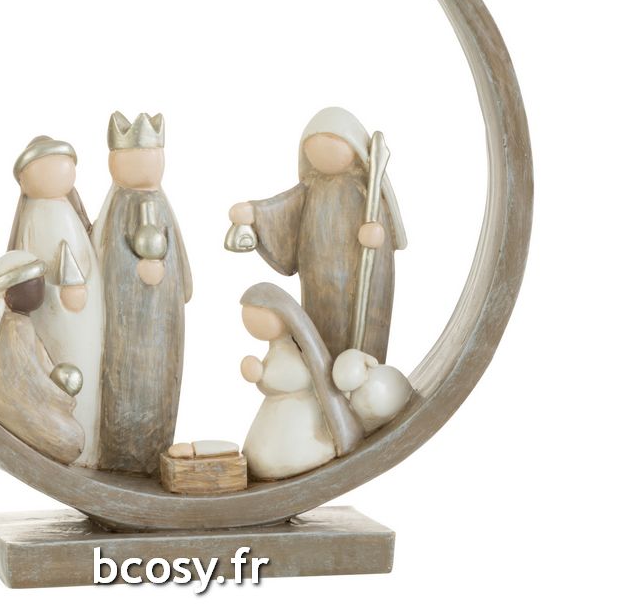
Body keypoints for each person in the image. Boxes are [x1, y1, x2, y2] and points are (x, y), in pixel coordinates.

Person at [226, 107, 406, 361]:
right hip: (318, 280)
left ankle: (361, 369)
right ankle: (319, 368)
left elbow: (381, 225)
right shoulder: (311, 189)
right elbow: (283, 208)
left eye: (333, 144)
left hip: (358, 278)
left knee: (359, 337)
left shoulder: (365, 192)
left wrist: (375, 234)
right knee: (320, 327)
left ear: (355, 148)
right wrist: (254, 213)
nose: (323, 153)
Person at [94, 111, 191, 474]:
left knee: (160, 379)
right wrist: (136, 271)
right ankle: (119, 456)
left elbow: (175, 252)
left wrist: (174, 278)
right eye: (132, 158)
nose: (144, 165)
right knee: (123, 381)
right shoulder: (119, 206)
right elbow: (108, 257)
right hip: (124, 322)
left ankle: (155, 450)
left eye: (151, 156)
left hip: (161, 319)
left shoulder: (159, 202)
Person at [6, 136, 103, 465]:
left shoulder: (64, 212)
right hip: (54, 312)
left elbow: (83, 257)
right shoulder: (38, 216)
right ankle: (70, 442)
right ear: (24, 179)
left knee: (86, 366)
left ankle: (89, 444)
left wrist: (79, 286)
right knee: (60, 364)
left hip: (83, 312)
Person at [0, 251, 84, 466]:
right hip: (18, 407)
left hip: (37, 402)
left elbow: (39, 366)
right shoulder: (13, 329)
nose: (41, 291)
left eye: (40, 284)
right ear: (9, 295)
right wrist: (58, 394)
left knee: (74, 435)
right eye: (34, 286)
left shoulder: (22, 324)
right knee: (71, 438)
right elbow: (27, 378)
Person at [237, 282, 362, 481]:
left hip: (296, 411)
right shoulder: (277, 350)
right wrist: (260, 375)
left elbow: (295, 377)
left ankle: (302, 457)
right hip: (279, 410)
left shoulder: (291, 352)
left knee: (282, 451)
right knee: (262, 451)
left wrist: (261, 375)